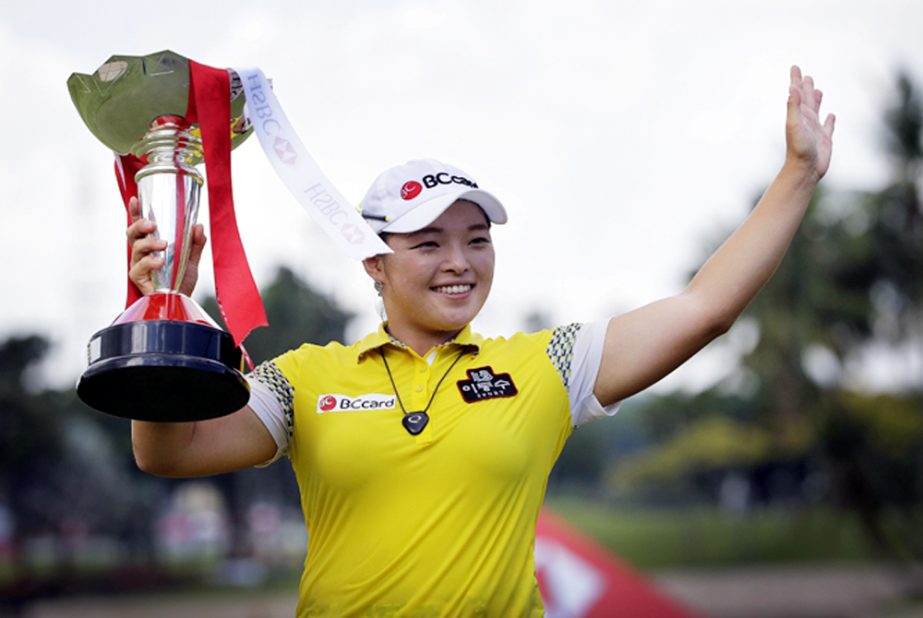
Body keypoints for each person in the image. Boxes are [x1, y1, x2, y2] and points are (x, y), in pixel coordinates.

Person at [127, 66, 834, 616]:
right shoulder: (306, 377)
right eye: (429, 242)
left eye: (476, 240)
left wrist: (796, 175)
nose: (459, 262)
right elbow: (170, 451)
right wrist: (163, 310)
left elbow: (703, 308)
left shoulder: (546, 366)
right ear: (374, 261)